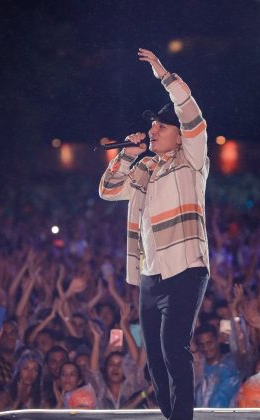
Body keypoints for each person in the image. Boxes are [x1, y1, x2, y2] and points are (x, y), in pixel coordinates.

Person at [99, 48, 210, 420]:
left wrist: (163, 74)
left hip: (185, 269)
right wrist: (128, 155)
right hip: (151, 275)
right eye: (153, 127)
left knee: (173, 348)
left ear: (180, 137)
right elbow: (109, 190)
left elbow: (190, 113)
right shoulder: (144, 167)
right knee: (155, 359)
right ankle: (171, 415)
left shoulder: (192, 160)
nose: (153, 131)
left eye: (162, 128)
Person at [194, 324, 240, 407]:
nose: (206, 348)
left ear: (217, 340)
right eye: (202, 344)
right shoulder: (197, 368)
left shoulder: (230, 365)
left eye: (209, 343)